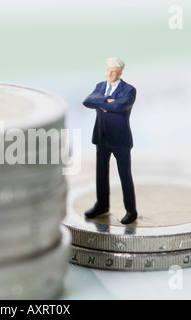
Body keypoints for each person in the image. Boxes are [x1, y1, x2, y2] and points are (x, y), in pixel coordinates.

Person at [82, 57, 138, 224]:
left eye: (113, 71)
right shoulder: (100, 86)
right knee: (101, 173)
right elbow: (87, 101)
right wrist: (107, 101)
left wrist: (103, 103)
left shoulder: (129, 90)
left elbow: (119, 106)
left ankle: (131, 210)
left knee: (124, 175)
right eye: (108, 70)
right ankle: (102, 205)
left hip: (120, 139)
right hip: (102, 136)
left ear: (120, 73)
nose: (109, 73)